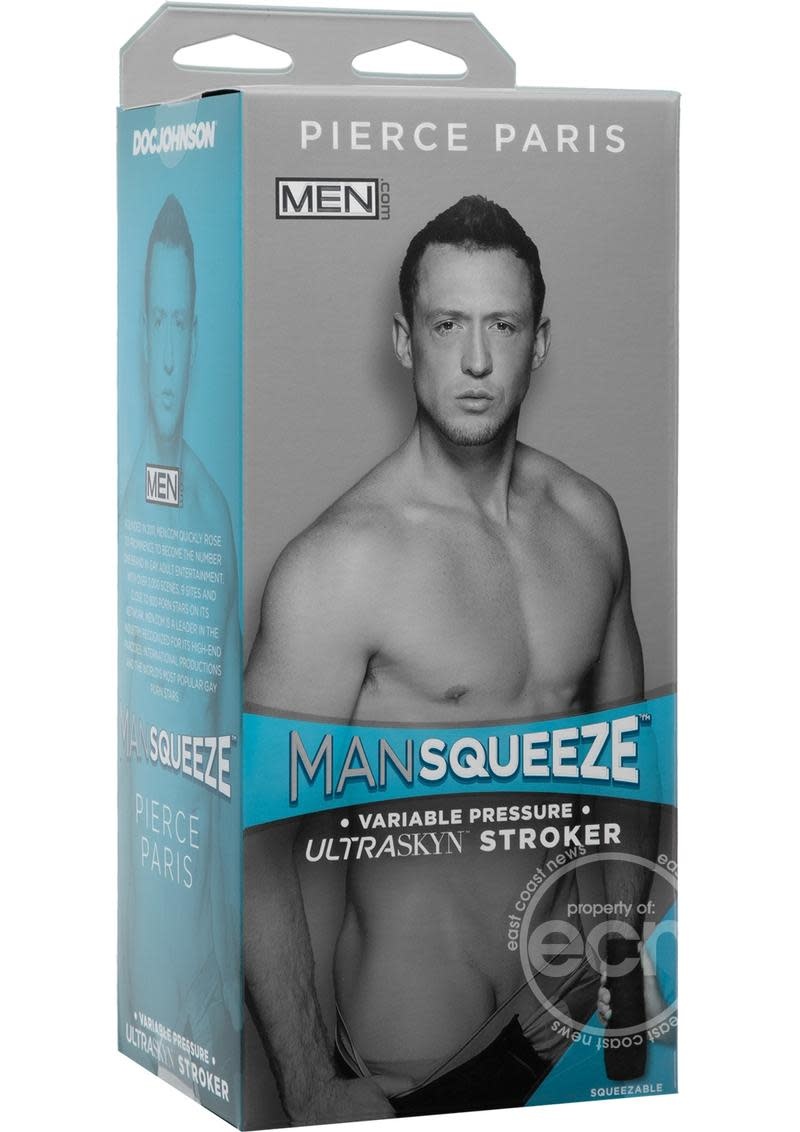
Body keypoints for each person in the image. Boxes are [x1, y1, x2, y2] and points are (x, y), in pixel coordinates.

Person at [244, 195, 659, 1121]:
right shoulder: (338, 566)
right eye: (447, 325)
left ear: (538, 343)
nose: (476, 359)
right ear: (405, 341)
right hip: (417, 1054)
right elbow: (253, 844)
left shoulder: (589, 524)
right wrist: (306, 1081)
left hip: (573, 1010)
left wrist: (622, 963)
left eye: (502, 326)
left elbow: (626, 767)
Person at [119, 194, 241, 1098]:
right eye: (155, 321)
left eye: (182, 325)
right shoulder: (118, 502)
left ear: (196, 340)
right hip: (138, 967)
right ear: (138, 333)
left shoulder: (211, 516)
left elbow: (229, 752)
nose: (168, 356)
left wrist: (227, 979)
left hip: (204, 975)